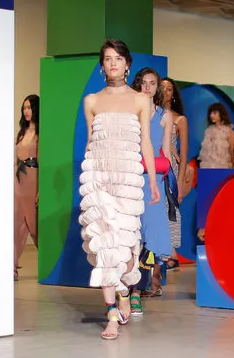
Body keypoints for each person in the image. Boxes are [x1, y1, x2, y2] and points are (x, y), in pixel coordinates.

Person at [78, 39, 160, 340]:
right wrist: (87, 179)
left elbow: (147, 143)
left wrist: (152, 179)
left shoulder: (141, 99)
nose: (112, 63)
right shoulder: (91, 101)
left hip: (127, 179)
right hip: (98, 177)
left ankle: (125, 291)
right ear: (103, 66)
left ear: (127, 64)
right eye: (107, 59)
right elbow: (90, 142)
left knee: (125, 251)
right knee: (103, 246)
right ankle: (111, 312)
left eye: (118, 58)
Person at [128, 67, 173, 313]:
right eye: (144, 83)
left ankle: (138, 290)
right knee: (131, 237)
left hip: (153, 181)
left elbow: (164, 152)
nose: (148, 87)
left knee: (151, 240)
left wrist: (168, 182)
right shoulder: (129, 114)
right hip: (132, 180)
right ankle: (128, 291)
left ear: (157, 87)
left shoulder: (164, 116)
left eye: (152, 83)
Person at [161, 77, 191, 271]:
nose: (165, 91)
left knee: (169, 210)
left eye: (169, 88)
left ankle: (171, 255)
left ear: (173, 94)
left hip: (170, 169)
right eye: (162, 87)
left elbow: (184, 154)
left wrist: (179, 181)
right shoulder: (151, 115)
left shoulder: (180, 119)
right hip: (152, 166)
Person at [14, 94, 39, 281]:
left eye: (29, 107)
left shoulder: (40, 133)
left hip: (33, 177)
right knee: (16, 224)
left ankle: (47, 265)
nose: (26, 111)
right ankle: (12, 266)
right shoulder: (22, 132)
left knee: (33, 225)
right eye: (24, 108)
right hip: (17, 178)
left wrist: (41, 189)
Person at [198, 103, 234, 168]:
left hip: (223, 167)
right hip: (208, 168)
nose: (211, 115)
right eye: (210, 113)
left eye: (214, 113)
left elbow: (233, 152)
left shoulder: (229, 132)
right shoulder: (208, 131)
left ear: (221, 114)